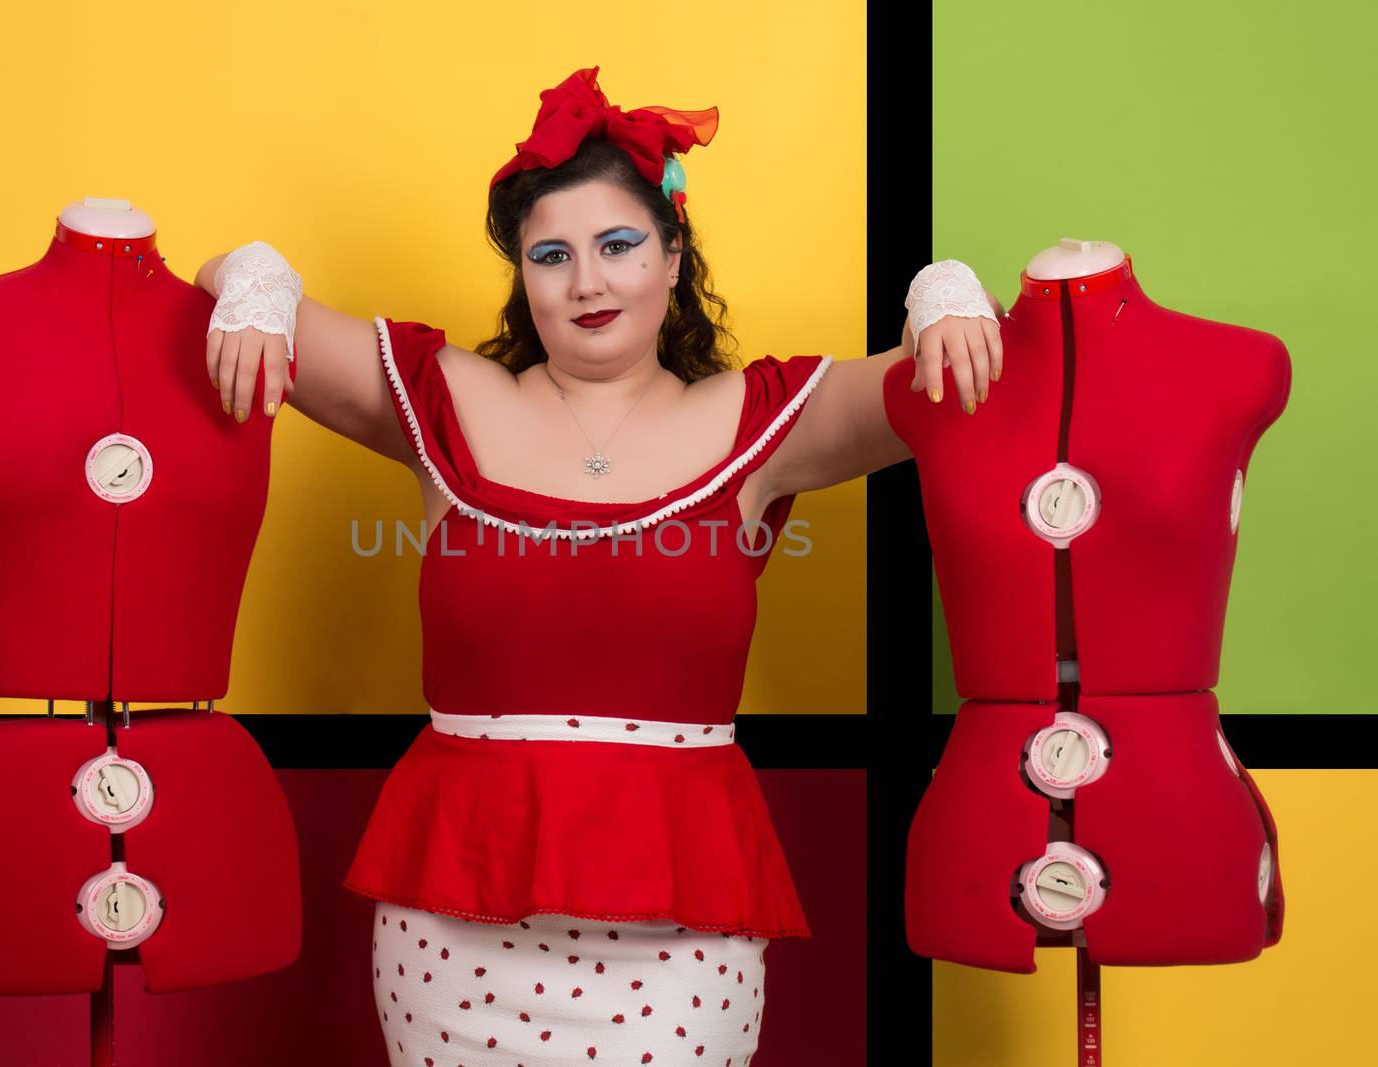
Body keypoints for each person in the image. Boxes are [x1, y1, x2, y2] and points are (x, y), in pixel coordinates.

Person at [196, 66, 1002, 1066]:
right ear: (523, 274)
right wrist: (256, 276)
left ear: (673, 254)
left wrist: (945, 293)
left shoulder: (767, 421)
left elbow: (952, 376)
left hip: (683, 927)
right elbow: (230, 286)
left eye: (618, 245)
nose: (585, 282)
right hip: (455, 916)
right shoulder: (439, 394)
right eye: (551, 255)